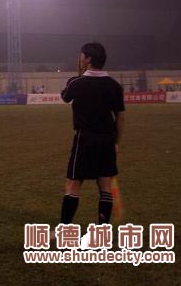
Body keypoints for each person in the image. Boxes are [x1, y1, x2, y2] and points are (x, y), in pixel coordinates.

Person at [57, 43, 125, 229]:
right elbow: (120, 118)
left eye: (81, 56)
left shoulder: (76, 82)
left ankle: (64, 229)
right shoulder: (114, 86)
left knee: (73, 185)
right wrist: (116, 142)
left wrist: (79, 74)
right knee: (105, 187)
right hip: (107, 140)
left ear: (88, 59)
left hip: (85, 139)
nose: (79, 59)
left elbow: (65, 97)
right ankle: (102, 232)